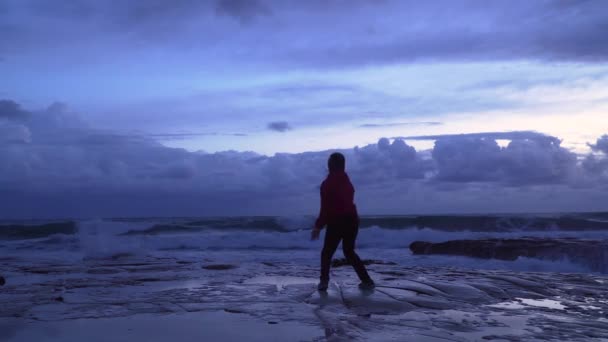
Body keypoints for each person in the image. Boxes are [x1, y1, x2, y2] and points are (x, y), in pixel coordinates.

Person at [311, 152, 375, 291]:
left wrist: (318, 226)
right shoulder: (348, 182)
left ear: (329, 166)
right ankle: (367, 280)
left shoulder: (327, 184)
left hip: (337, 221)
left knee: (326, 253)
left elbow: (325, 208)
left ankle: (324, 282)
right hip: (352, 220)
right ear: (343, 165)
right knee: (349, 252)